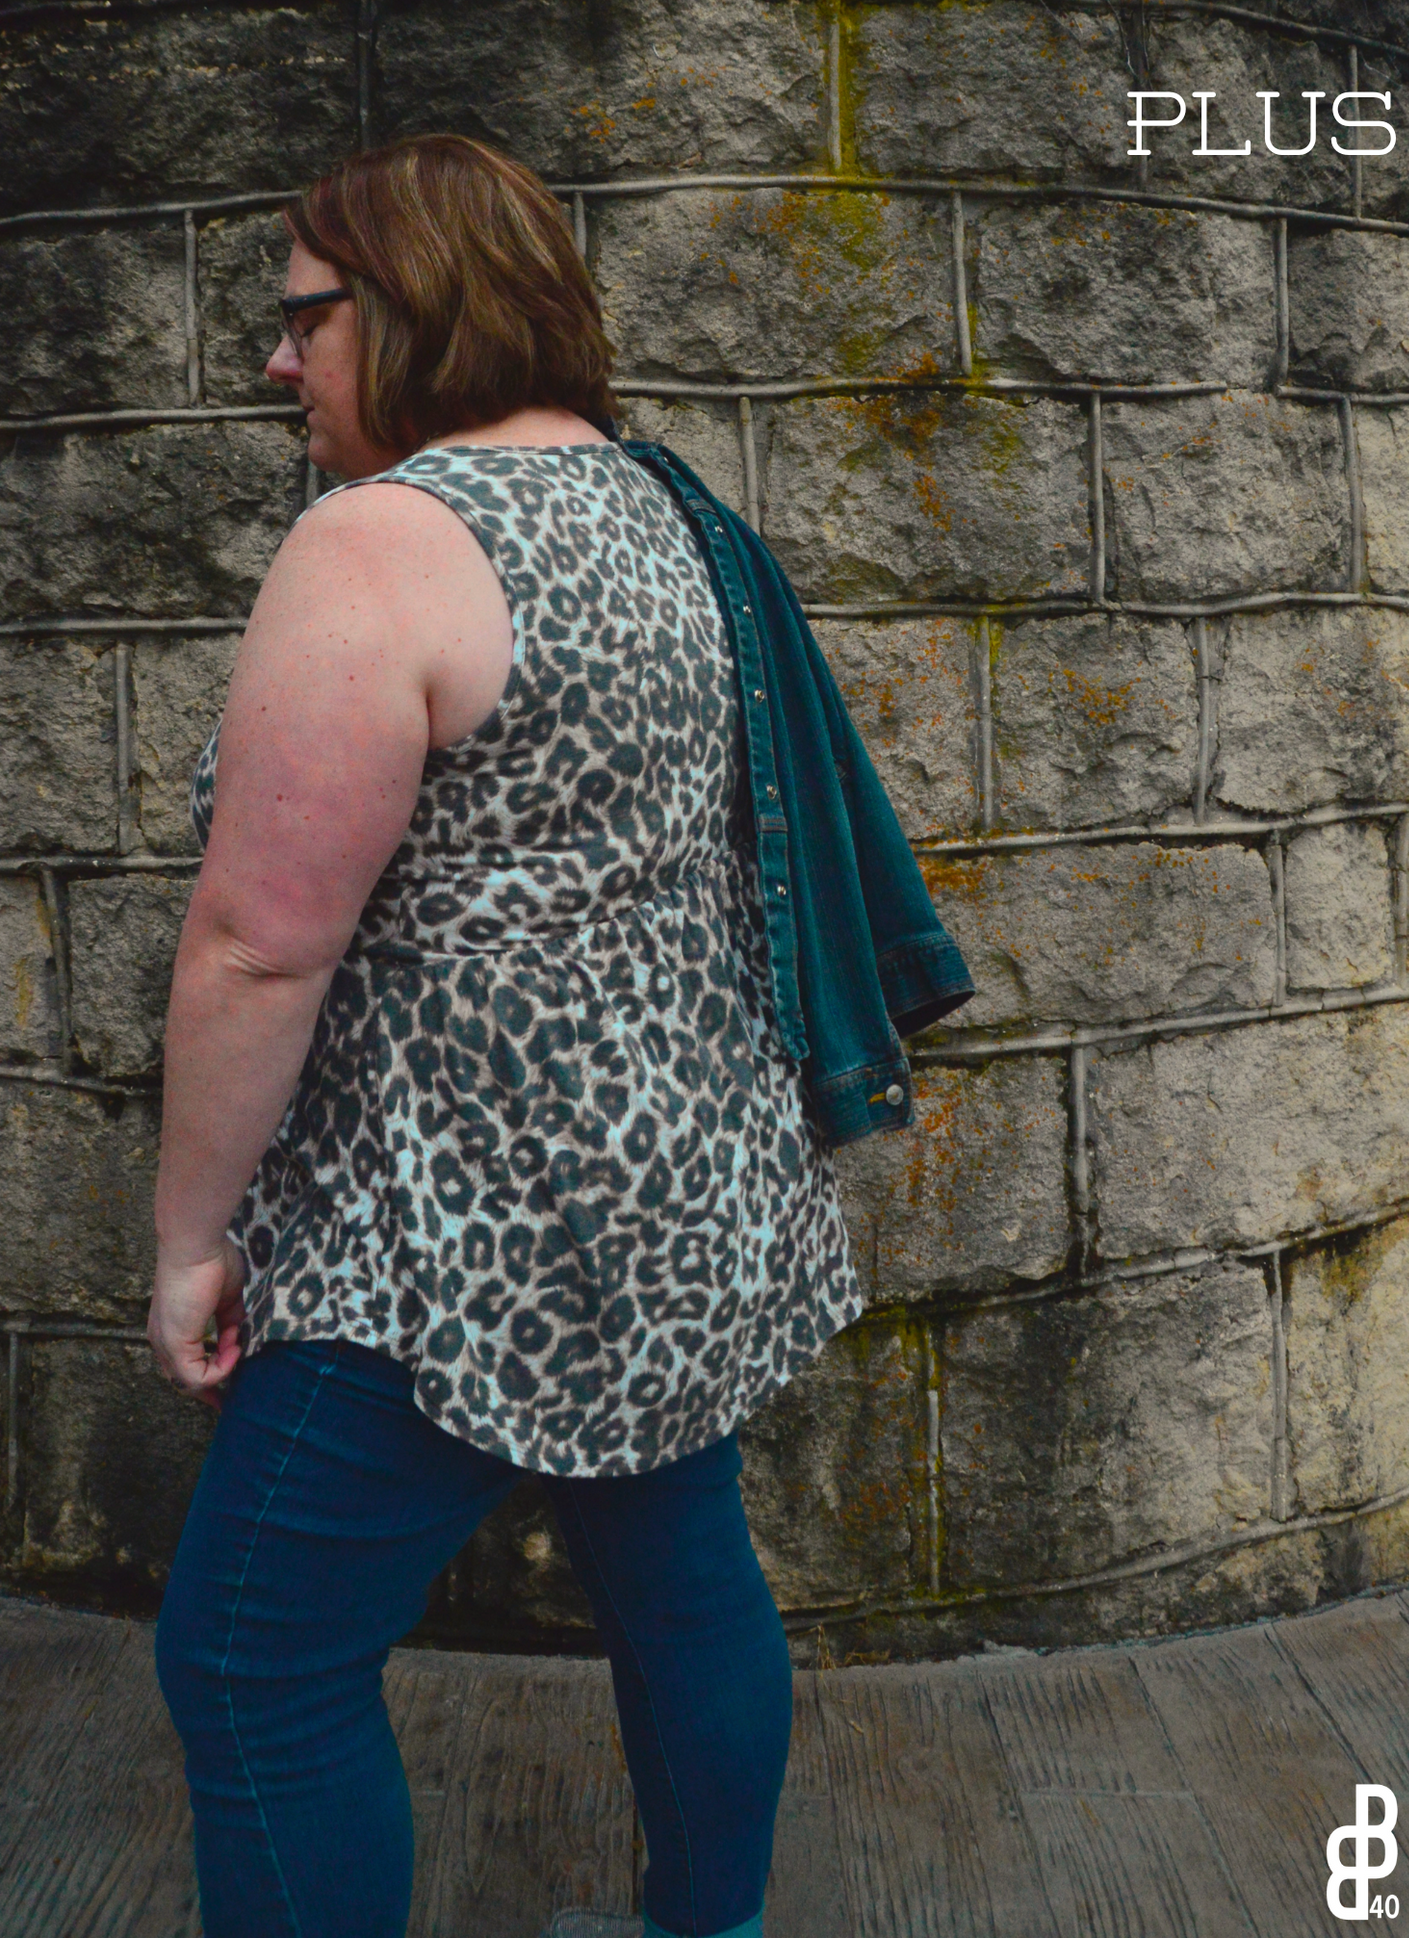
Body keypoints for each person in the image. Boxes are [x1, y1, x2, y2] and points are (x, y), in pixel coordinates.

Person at [149, 133, 970, 1938]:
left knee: (245, 1659)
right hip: (683, 1182)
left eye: (303, 317)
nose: (276, 362)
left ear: (416, 302)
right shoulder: (668, 509)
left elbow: (257, 951)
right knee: (682, 1583)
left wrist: (191, 1238)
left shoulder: (380, 542)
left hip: (448, 1235)